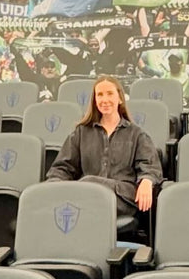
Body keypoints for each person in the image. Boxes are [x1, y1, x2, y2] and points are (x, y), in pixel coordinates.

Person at [45, 76, 163, 218]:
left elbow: (150, 167)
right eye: (99, 95)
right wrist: (54, 185)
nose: (104, 99)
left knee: (89, 182)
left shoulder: (137, 134)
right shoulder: (81, 132)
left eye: (109, 94)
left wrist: (146, 181)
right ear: (95, 101)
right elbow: (62, 167)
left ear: (119, 98)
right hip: (87, 195)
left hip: (122, 197)